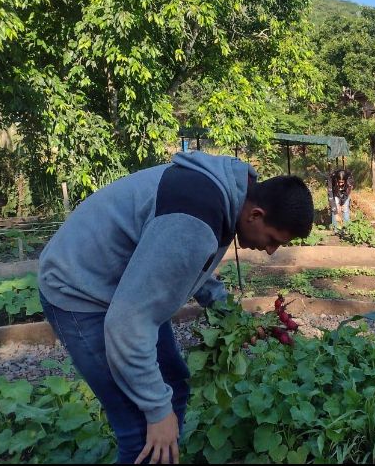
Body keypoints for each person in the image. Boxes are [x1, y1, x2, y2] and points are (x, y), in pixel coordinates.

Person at [38, 151, 314, 464]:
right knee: (141, 430)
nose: (270, 250)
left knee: (174, 388)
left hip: (126, 287)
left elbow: (187, 262)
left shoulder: (231, 194)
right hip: (79, 290)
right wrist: (157, 412)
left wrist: (227, 312)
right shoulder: (195, 218)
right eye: (272, 239)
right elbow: (127, 323)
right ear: (256, 215)